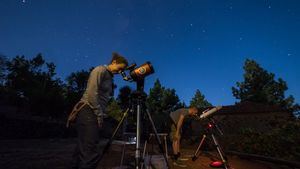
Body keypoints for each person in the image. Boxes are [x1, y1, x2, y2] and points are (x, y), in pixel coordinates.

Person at [69, 52, 128, 169]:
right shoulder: (100, 70)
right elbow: (91, 93)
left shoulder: (109, 77)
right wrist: (99, 114)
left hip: (93, 112)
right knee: (89, 153)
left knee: (83, 150)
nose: (120, 72)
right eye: (120, 68)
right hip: (88, 111)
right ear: (114, 62)